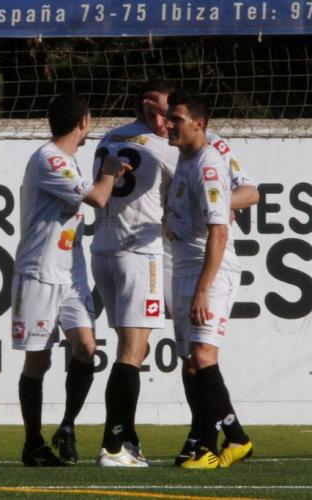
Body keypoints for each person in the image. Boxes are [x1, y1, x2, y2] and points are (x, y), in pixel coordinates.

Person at [12, 93, 130, 466]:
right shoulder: (49, 159)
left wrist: (108, 175)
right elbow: (97, 198)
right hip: (40, 272)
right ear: (83, 121)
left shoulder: (68, 161)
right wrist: (109, 170)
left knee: (86, 348)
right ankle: (33, 443)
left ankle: (66, 426)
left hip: (71, 273)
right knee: (38, 360)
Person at [90, 81, 179, 467]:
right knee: (131, 352)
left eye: (168, 115)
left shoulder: (109, 137)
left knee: (132, 348)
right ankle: (114, 445)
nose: (163, 122)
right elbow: (191, 184)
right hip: (139, 253)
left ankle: (129, 438)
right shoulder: (162, 146)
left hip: (103, 251)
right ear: (142, 107)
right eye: (157, 113)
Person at [165, 90, 253, 469]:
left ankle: (205, 446)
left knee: (203, 355)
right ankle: (237, 438)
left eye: (177, 120)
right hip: (183, 268)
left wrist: (204, 288)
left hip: (209, 271)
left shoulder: (209, 166)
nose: (169, 125)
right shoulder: (184, 159)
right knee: (191, 360)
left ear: (198, 124)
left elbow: (219, 231)